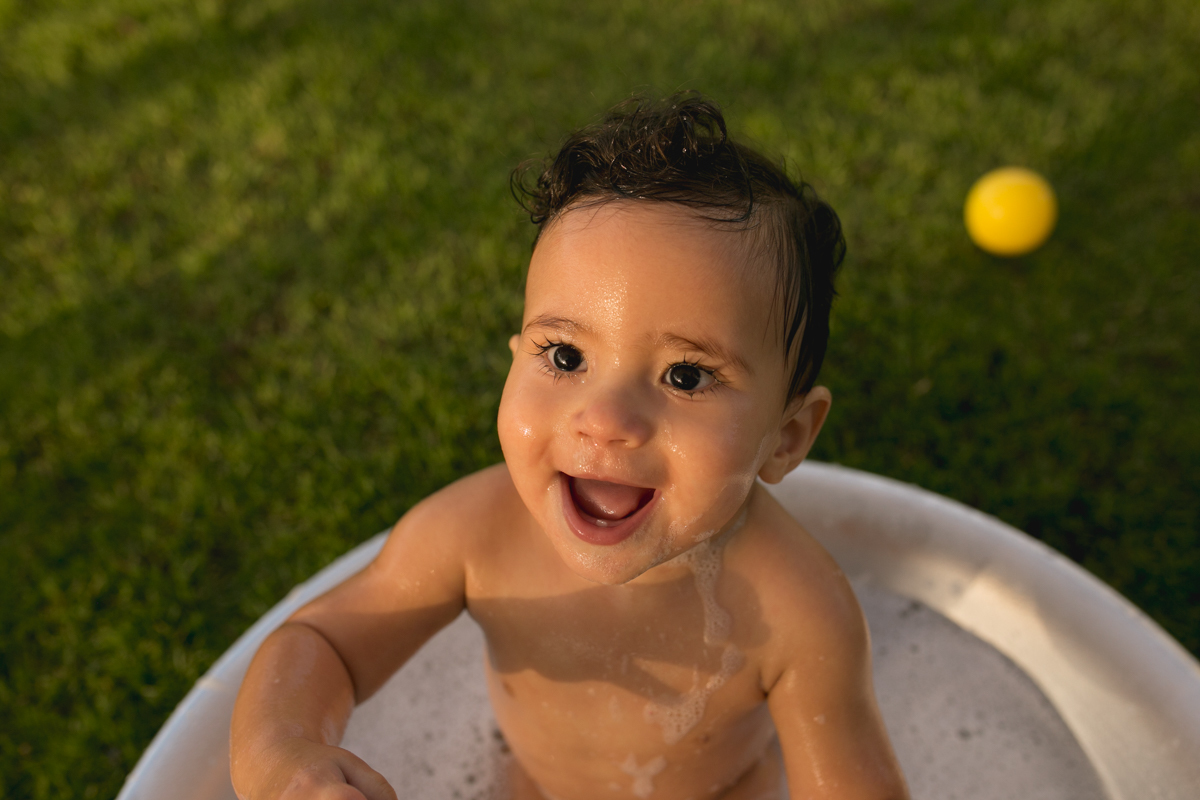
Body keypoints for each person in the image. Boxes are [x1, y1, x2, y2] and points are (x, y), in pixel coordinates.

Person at [230, 92, 909, 800]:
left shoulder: (799, 609)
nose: (606, 418)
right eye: (563, 357)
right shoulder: (473, 536)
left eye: (685, 375)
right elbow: (328, 644)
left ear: (788, 436)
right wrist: (285, 756)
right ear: (517, 352)